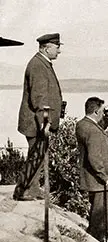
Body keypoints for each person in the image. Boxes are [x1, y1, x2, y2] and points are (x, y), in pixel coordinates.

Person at [13, 33, 65, 201]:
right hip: (37, 122)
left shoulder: (42, 63)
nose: (59, 51)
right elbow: (39, 98)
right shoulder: (38, 65)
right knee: (36, 155)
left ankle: (32, 189)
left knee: (38, 155)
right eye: (57, 47)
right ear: (46, 47)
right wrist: (46, 122)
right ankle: (23, 190)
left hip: (39, 122)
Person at [75, 97, 108, 242]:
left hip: (94, 180)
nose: (103, 113)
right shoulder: (91, 130)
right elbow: (94, 156)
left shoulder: (83, 125)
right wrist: (104, 176)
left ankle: (94, 240)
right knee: (100, 218)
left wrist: (107, 118)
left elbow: (98, 130)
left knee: (96, 215)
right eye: (101, 111)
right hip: (100, 182)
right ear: (96, 111)